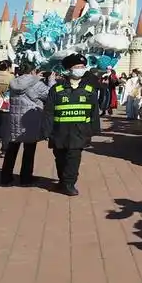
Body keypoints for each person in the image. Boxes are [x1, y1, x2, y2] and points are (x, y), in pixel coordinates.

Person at [44, 53, 100, 196]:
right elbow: (49, 112)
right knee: (60, 158)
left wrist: (93, 131)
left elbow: (94, 112)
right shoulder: (57, 89)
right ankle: (63, 181)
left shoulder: (89, 90)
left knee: (73, 158)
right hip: (59, 132)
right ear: (69, 70)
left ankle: (69, 183)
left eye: (82, 67)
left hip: (80, 131)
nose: (80, 69)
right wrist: (46, 131)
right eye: (77, 67)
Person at [0, 61, 50, 186]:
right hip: (30, 120)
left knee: (11, 150)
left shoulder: (14, 82)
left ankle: (5, 177)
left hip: (14, 119)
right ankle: (26, 178)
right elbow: (49, 95)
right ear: (33, 71)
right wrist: (51, 81)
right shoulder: (37, 84)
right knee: (29, 151)